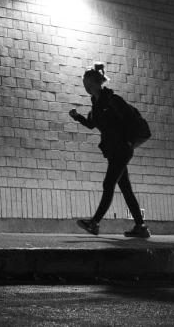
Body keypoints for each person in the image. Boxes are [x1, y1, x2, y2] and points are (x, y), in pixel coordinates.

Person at [68, 64, 151, 238]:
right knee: (126, 189)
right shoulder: (97, 104)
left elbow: (130, 120)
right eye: (84, 84)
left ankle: (94, 222)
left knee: (108, 184)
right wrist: (78, 117)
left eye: (88, 84)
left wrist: (128, 141)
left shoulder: (112, 100)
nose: (86, 87)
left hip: (122, 148)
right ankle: (141, 226)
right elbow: (92, 125)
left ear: (98, 83)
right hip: (114, 150)